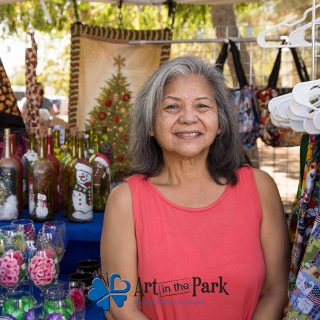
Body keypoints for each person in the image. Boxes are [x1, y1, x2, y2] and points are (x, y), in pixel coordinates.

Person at [100, 56, 290, 320]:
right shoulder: (126, 200)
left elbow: (276, 291)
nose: (188, 117)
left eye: (202, 106)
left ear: (221, 122)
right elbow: (121, 306)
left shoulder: (260, 188)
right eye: (171, 106)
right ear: (151, 125)